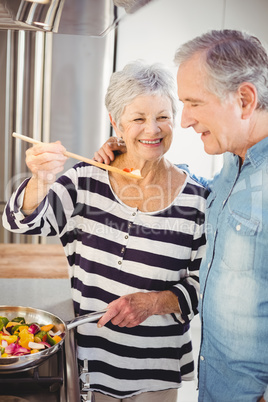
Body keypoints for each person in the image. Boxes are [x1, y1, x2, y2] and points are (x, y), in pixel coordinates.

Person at [3, 61, 208, 401]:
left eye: (163, 116)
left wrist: (155, 302)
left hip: (158, 372)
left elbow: (203, 286)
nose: (152, 129)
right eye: (138, 118)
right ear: (116, 123)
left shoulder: (198, 201)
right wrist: (41, 179)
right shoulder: (85, 181)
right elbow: (20, 222)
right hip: (92, 365)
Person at [94, 30, 268, 402]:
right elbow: (194, 189)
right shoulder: (230, 170)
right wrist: (131, 151)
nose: (184, 120)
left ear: (244, 99)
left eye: (193, 103)